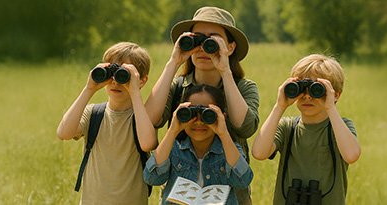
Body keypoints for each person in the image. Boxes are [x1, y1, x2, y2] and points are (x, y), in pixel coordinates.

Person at [145, 7, 258, 203]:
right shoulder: (178, 87)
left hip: (231, 196)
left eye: (212, 41)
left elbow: (244, 127)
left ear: (230, 47)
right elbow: (151, 119)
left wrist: (225, 71)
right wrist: (174, 62)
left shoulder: (243, 88)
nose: (203, 48)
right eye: (197, 39)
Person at [252, 54, 362, 204]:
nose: (308, 96)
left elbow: (351, 155)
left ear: (335, 95)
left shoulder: (341, 127)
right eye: (302, 88)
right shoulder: (287, 127)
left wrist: (330, 106)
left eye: (317, 89)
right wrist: (280, 106)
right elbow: (259, 153)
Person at [56, 42, 157, 204]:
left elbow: (148, 143)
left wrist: (134, 91)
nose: (116, 82)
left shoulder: (142, 118)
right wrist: (89, 89)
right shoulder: (93, 114)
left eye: (124, 75)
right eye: (112, 72)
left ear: (142, 80)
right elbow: (63, 133)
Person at [144, 85, 253, 205]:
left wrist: (223, 133)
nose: (199, 121)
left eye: (208, 115)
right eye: (192, 114)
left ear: (222, 116)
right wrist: (173, 130)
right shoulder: (173, 148)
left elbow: (243, 180)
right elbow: (152, 177)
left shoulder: (230, 150)